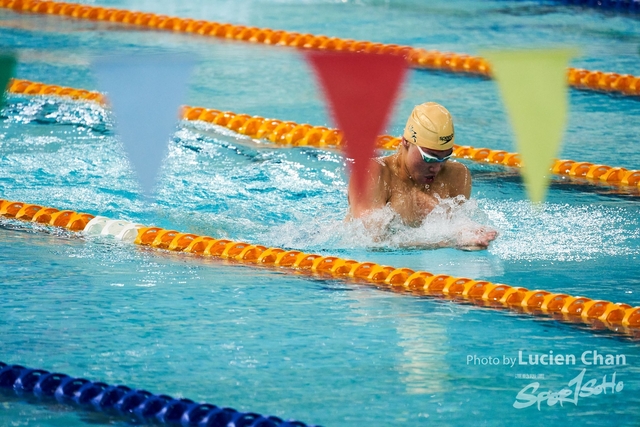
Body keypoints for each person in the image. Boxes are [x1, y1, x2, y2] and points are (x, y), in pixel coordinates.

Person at [346, 102, 497, 250]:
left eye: (445, 157)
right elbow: (370, 241)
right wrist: (449, 241)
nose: (437, 167)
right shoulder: (373, 173)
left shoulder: (457, 175)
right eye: (429, 157)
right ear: (405, 142)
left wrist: (469, 236)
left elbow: (458, 225)